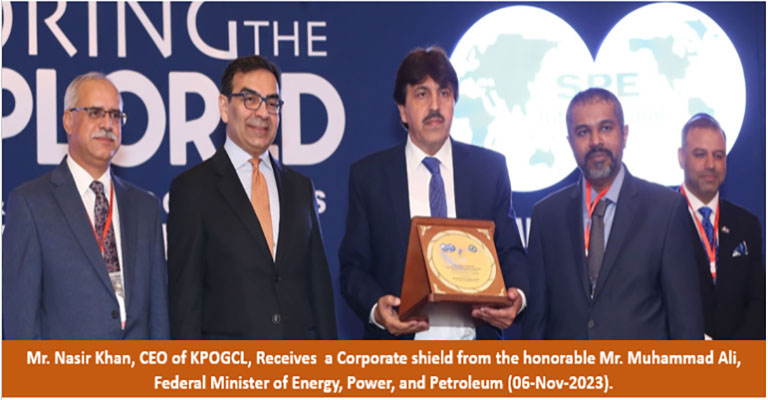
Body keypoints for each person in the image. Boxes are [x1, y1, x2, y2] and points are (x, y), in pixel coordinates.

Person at [339, 46, 528, 340]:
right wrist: (377, 309)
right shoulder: (370, 177)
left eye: (444, 93)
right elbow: (354, 269)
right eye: (422, 94)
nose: (435, 106)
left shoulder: (489, 170)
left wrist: (517, 297)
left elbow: (511, 253)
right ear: (402, 110)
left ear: (454, 102)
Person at [167, 55, 337, 339]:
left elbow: (320, 292)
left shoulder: (300, 188)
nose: (263, 113)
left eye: (272, 103)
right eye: (250, 100)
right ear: (224, 107)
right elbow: (185, 304)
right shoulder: (192, 189)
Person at [523, 87, 703, 339]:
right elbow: (536, 325)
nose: (596, 141)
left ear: (624, 134)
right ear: (570, 142)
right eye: (583, 132)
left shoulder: (666, 210)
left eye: (606, 128)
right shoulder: (547, 216)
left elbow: (686, 324)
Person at [2, 72, 169, 339]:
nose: (107, 123)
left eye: (115, 115)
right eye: (95, 113)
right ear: (68, 121)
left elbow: (159, 318)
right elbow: (20, 325)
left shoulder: (145, 207)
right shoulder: (30, 204)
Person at [677, 113, 765, 339]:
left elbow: (758, 303)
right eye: (700, 154)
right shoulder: (659, 220)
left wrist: (730, 354)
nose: (711, 165)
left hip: (739, 357)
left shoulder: (747, 224)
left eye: (718, 155)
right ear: (681, 157)